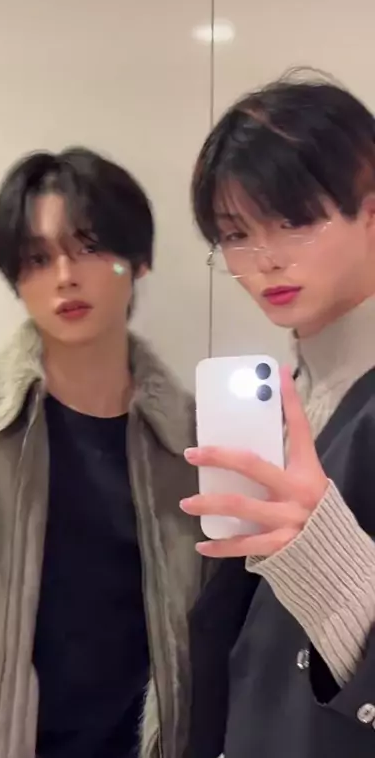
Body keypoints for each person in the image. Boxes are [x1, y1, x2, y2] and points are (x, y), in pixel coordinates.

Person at [0, 147, 204, 758]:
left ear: (138, 260)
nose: (65, 275)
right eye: (37, 258)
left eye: (89, 247)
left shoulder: (193, 439)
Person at [181, 74, 375, 758]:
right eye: (236, 234)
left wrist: (328, 560)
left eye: (296, 220)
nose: (265, 259)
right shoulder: (285, 399)